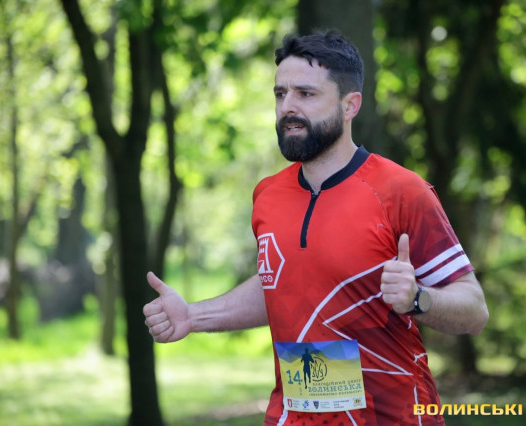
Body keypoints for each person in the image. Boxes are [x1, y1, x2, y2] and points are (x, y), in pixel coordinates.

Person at [143, 30, 489, 425]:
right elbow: (281, 283)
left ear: (350, 105)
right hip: (293, 415)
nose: (287, 107)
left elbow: (474, 310)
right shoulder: (268, 196)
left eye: (306, 94)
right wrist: (192, 316)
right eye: (280, 94)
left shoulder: (401, 191)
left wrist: (417, 298)